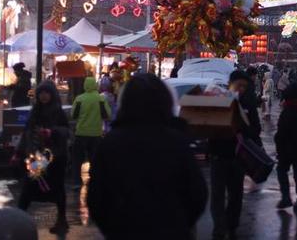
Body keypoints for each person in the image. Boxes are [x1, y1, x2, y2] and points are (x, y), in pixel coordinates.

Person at [88, 73, 207, 239]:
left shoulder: (110, 143)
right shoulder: (177, 142)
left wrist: (112, 228)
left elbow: (96, 197)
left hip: (123, 231)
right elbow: (197, 193)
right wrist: (180, 224)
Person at [209, 70, 258, 240]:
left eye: (245, 86)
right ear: (230, 84)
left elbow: (255, 129)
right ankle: (219, 228)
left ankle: (232, 226)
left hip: (238, 157)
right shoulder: (218, 101)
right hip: (218, 155)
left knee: (236, 194)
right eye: (239, 85)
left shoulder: (248, 103)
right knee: (217, 195)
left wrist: (242, 127)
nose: (242, 89)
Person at [15, 81, 69, 234]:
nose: (44, 96)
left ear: (52, 94)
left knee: (57, 188)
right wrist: (17, 152)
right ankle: (20, 221)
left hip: (56, 157)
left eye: (47, 93)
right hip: (38, 158)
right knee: (28, 187)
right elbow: (26, 133)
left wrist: (52, 132)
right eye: (41, 93)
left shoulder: (58, 112)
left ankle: (62, 220)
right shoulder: (35, 112)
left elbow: (67, 131)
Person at [274, 82, 297, 211]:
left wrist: (278, 146)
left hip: (287, 150)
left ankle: (286, 197)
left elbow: (281, 132)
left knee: (281, 171)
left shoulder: (288, 110)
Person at [71, 76, 109, 185]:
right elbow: (107, 115)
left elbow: (73, 115)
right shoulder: (101, 99)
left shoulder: (79, 98)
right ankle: (95, 180)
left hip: (81, 133)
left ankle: (77, 182)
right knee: (95, 159)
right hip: (96, 134)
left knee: (78, 159)